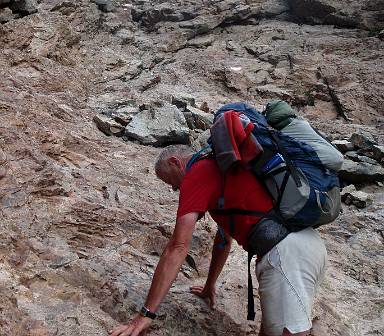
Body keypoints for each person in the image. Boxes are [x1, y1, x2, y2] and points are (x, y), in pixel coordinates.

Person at [110, 140, 328, 336]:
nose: (175, 189)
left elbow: (177, 247)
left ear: (176, 162)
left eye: (171, 182)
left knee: (293, 332)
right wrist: (209, 285)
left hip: (287, 255)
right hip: (303, 246)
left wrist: (146, 315)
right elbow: (224, 238)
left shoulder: (198, 173)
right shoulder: (223, 171)